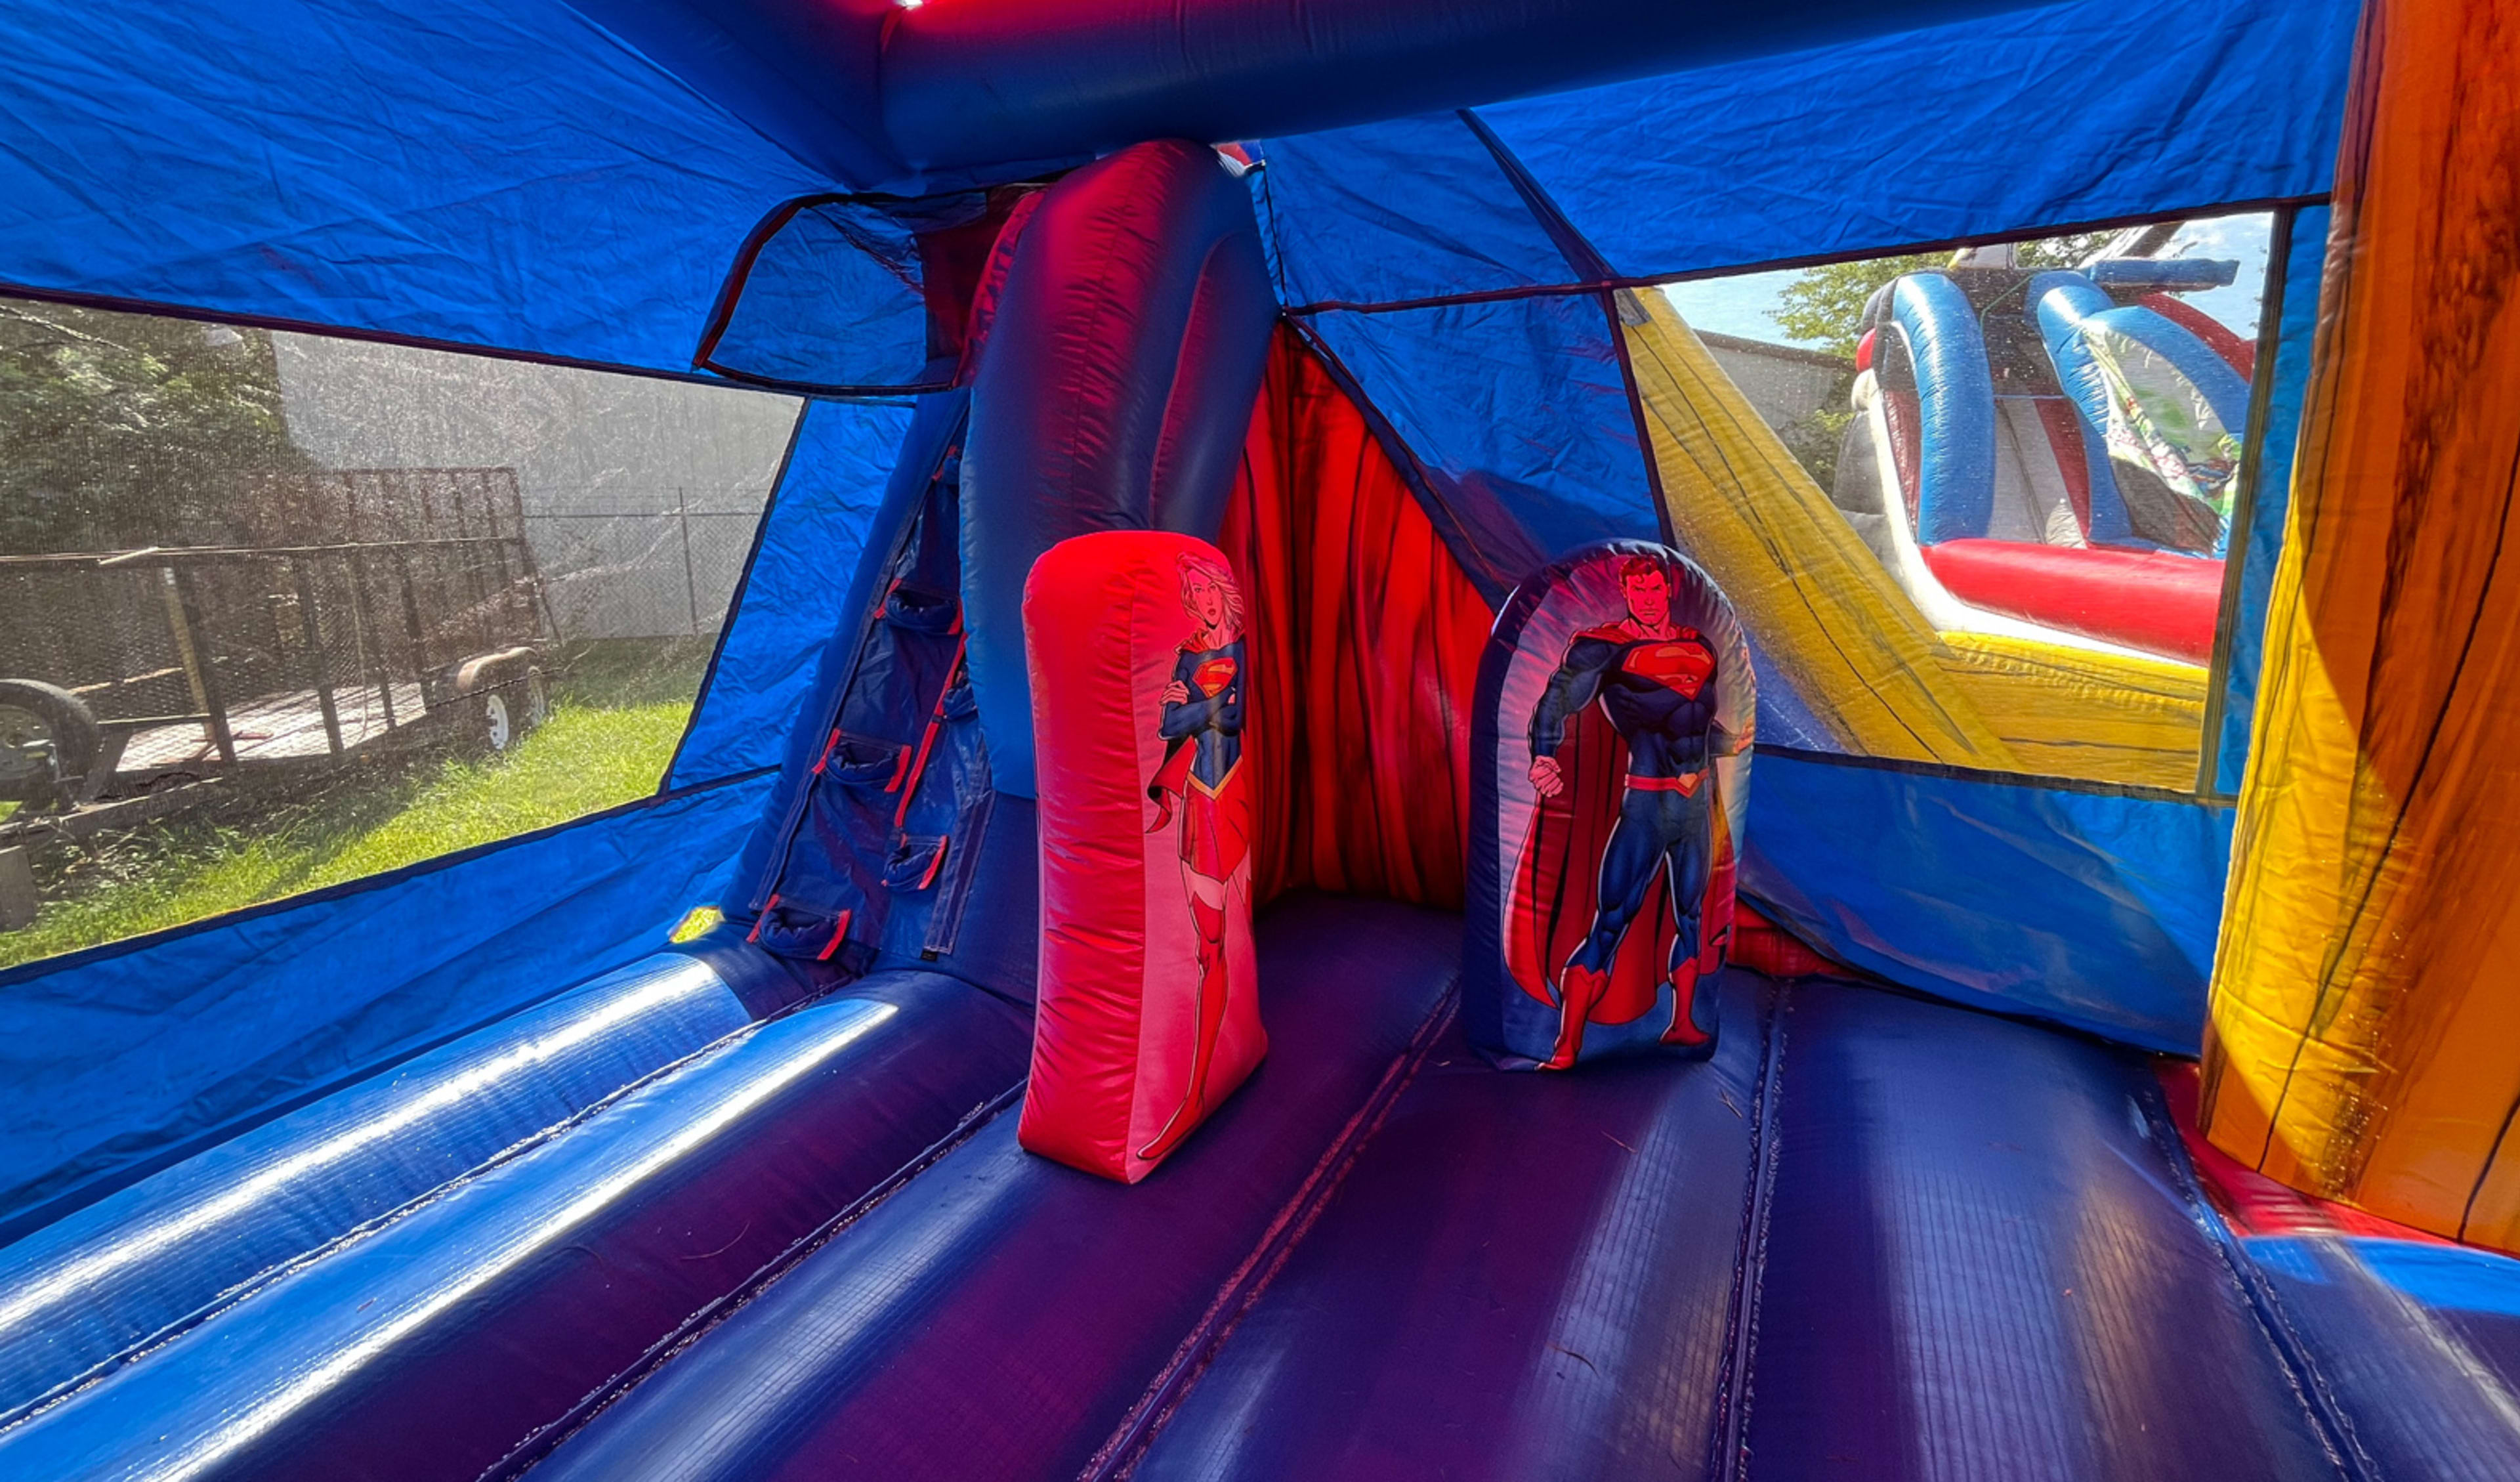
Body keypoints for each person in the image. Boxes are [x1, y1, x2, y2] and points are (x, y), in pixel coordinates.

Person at [1526, 557, 1729, 1068]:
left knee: (1692, 916)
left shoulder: (1699, 645)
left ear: (1666, 591)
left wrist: (1736, 742)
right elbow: (1559, 694)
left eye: (1653, 590)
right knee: (1611, 921)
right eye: (1635, 592)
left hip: (1694, 806)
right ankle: (1566, 1045)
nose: (1646, 600)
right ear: (1627, 595)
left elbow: (1697, 723)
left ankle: (1682, 1024)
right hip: (1646, 801)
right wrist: (1544, 753)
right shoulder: (1607, 646)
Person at [1142, 551, 1247, 1158]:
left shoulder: (1239, 650)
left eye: (1209, 590)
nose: (1204, 600)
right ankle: (1196, 1090)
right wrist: (1189, 710)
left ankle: (1199, 1088)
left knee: (1218, 941)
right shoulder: (1190, 651)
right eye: (1195, 592)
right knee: (1207, 944)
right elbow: (1170, 727)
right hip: (1199, 802)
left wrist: (1188, 709)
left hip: (1226, 795)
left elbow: (1228, 718)